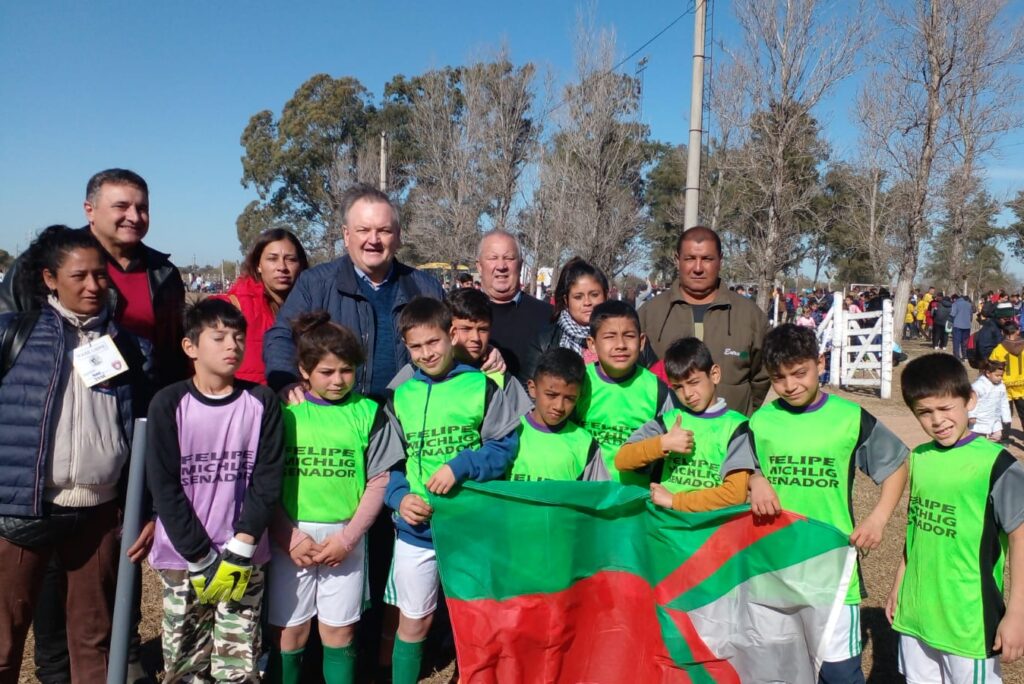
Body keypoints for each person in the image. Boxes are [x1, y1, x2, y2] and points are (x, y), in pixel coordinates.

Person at [0, 226, 152, 682]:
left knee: (94, 640)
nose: (93, 286)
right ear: (50, 279)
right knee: (4, 641)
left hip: (100, 515)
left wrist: (141, 506)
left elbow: (140, 429)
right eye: (79, 276)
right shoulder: (14, 335)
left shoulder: (127, 347)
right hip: (22, 510)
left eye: (101, 276)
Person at [735, 324, 909, 683]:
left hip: (831, 571)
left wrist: (878, 519)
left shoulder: (849, 417)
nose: (790, 385)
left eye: (800, 373)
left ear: (820, 362)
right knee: (779, 669)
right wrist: (755, 478)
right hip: (772, 568)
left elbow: (896, 465)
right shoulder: (761, 420)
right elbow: (736, 469)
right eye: (779, 377)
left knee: (839, 672)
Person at [383, 297, 521, 684]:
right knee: (414, 622)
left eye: (435, 342)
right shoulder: (400, 393)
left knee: (476, 618)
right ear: (407, 347)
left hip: (471, 528)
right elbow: (390, 462)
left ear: (451, 335)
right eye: (416, 346)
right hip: (416, 531)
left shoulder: (482, 386)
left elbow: (503, 449)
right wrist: (398, 499)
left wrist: (460, 466)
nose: (427, 353)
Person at [146, 299, 284, 681]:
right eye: (219, 337)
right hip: (185, 560)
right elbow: (164, 485)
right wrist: (199, 554)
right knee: (184, 660)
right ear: (191, 347)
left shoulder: (261, 401)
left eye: (238, 337)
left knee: (238, 662)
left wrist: (241, 546)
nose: (232, 346)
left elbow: (266, 478)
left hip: (242, 557)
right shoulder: (169, 403)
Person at [265, 313, 404, 684]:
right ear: (303, 370)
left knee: (339, 633)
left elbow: (378, 481)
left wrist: (347, 538)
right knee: (289, 632)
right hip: (290, 540)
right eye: (326, 372)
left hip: (343, 540)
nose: (339, 380)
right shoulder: (284, 410)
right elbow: (263, 481)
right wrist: (288, 536)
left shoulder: (368, 413)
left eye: (346, 370)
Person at [886, 353, 1024, 683]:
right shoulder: (918, 459)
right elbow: (915, 528)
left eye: (945, 408)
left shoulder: (999, 465)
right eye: (925, 412)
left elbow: (1020, 539)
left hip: (967, 622)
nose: (937, 420)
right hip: (917, 614)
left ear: (969, 401)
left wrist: (1017, 611)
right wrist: (898, 584)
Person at [264, 184, 445, 402]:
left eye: (384, 231)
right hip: (338, 419)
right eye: (363, 230)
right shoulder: (315, 284)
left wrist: (486, 352)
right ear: (347, 235)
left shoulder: (427, 288)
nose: (374, 240)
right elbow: (281, 336)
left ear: (398, 236)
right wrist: (286, 381)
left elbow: (455, 340)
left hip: (410, 417)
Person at [638, 226, 769, 416]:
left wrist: (740, 412)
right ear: (677, 260)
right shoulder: (649, 314)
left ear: (720, 261)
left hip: (729, 438)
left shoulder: (749, 316)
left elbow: (762, 377)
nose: (698, 268)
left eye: (707, 259)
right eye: (690, 258)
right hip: (668, 438)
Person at [614, 338, 756, 512]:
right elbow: (622, 460)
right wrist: (662, 443)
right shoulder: (668, 421)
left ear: (715, 374)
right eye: (678, 387)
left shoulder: (736, 426)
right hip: (666, 528)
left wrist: (675, 501)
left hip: (710, 531)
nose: (687, 394)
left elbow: (734, 495)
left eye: (693, 382)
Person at [573, 300, 676, 487]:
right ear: (592, 344)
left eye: (629, 336)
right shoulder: (579, 383)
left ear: (642, 341)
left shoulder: (657, 390)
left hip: (635, 502)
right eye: (610, 336)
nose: (620, 344)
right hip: (585, 499)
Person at [213, 228, 308, 383]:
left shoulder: (314, 308)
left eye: (290, 259)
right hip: (246, 404)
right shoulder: (230, 307)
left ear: (301, 265)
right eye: (272, 259)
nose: (282, 267)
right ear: (258, 265)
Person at [508, 348, 610, 482]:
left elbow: (599, 495)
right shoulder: (510, 433)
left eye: (570, 398)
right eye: (551, 395)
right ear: (532, 389)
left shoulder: (584, 443)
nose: (559, 406)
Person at [476, 230, 553, 383]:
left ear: (520, 264)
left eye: (509, 258)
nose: (501, 266)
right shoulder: (460, 316)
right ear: (479, 266)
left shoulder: (548, 315)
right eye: (493, 258)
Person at [990, 321, 1024, 429]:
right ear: (1018, 331)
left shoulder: (998, 349)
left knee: (1005, 413)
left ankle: (1005, 438)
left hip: (1004, 385)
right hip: (1022, 386)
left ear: (1003, 332)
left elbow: (991, 367)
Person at [970, 359, 1011, 442]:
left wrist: (1006, 417)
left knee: (997, 437)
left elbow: (1004, 402)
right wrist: (971, 415)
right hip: (979, 421)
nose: (1000, 378)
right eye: (997, 375)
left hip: (995, 419)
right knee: (978, 440)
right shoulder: (978, 386)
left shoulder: (1001, 386)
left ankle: (991, 451)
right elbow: (970, 401)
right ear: (988, 373)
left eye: (1001, 376)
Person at [950, 293, 974, 361]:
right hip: (967, 325)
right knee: (965, 342)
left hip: (957, 325)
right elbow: (971, 316)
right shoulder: (969, 304)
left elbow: (952, 314)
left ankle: (957, 356)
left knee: (956, 342)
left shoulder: (955, 304)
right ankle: (965, 356)